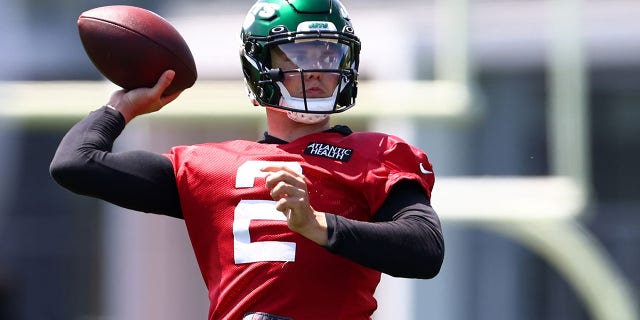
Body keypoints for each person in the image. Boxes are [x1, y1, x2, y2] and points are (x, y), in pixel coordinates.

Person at [50, 0, 445, 319]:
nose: (316, 70)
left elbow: (424, 249)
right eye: (296, 55)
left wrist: (318, 224)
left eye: (328, 55)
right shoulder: (207, 166)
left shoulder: (376, 154)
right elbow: (76, 163)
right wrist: (121, 108)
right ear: (259, 69)